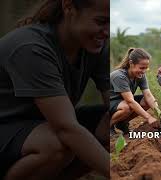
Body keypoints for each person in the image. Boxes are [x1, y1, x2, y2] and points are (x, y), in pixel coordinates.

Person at [0, 0, 109, 179]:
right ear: (68, 7)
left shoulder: (95, 46)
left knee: (116, 121)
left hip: (41, 126)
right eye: (101, 22)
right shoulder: (31, 48)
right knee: (57, 143)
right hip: (9, 129)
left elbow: (116, 105)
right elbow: (66, 128)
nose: (107, 31)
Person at [110, 48, 159, 135]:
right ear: (131, 63)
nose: (143, 71)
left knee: (146, 101)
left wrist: (159, 113)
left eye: (146, 68)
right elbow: (130, 101)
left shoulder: (140, 75)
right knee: (127, 107)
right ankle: (109, 125)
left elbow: (148, 95)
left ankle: (122, 123)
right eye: (141, 68)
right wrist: (149, 117)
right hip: (110, 103)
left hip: (122, 102)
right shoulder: (119, 76)